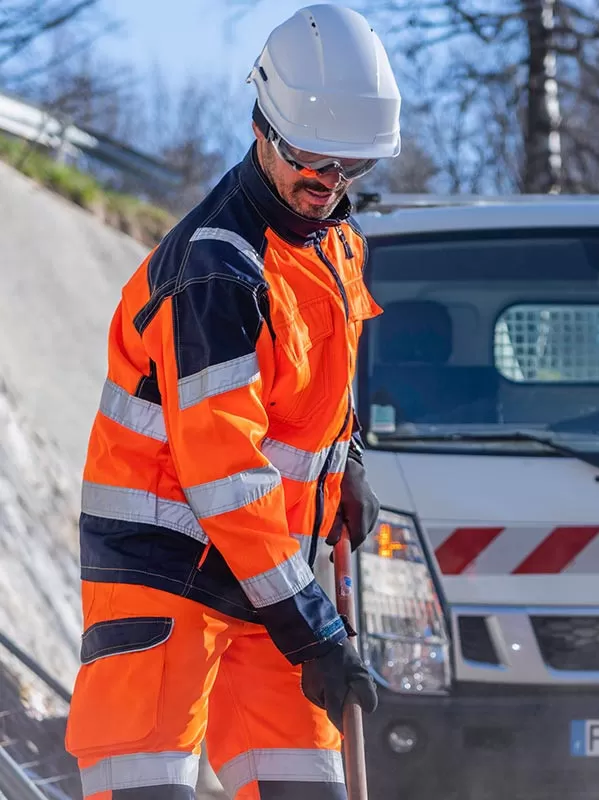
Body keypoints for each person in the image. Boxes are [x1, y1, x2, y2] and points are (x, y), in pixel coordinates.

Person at [63, 5, 401, 798]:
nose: (330, 185)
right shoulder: (219, 269)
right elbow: (224, 471)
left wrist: (345, 463)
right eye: (315, 162)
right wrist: (314, 630)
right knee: (151, 785)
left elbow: (317, 387)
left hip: (268, 574)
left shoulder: (334, 245)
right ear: (263, 128)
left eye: (353, 167)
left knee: (304, 785)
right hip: (168, 577)